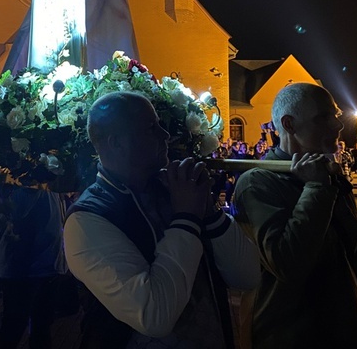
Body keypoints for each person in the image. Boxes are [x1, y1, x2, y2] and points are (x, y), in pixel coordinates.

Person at [64, 92, 260, 348]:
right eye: (151, 128)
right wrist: (187, 218)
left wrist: (208, 211)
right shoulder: (88, 220)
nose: (166, 136)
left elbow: (247, 277)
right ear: (116, 143)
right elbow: (155, 317)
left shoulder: (173, 190)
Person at [233, 83, 357, 348]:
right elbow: (287, 263)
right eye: (323, 117)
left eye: (336, 116)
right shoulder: (258, 183)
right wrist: (315, 189)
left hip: (350, 333)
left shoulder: (331, 177)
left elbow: (355, 265)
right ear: (289, 124)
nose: (337, 126)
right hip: (291, 336)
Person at [0, 186, 66, 348]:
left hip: (47, 261)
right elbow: (16, 211)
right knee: (13, 328)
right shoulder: (16, 172)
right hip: (22, 267)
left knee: (42, 328)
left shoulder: (46, 168)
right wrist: (36, 179)